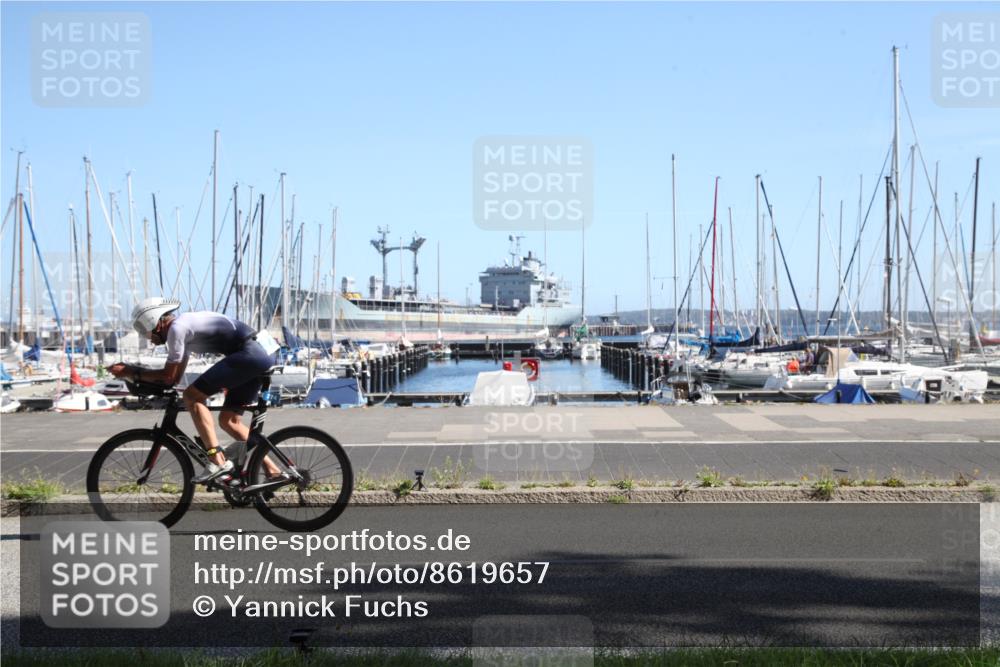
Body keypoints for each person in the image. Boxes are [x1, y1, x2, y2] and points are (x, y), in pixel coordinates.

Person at [108, 297, 279, 484]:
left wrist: (131, 372)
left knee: (191, 396)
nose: (146, 337)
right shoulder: (183, 330)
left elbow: (167, 376)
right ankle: (273, 470)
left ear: (153, 320)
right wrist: (137, 376)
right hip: (260, 351)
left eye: (143, 330)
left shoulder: (177, 329)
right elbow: (173, 379)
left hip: (251, 352)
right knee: (229, 421)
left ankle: (217, 461)